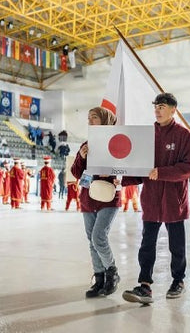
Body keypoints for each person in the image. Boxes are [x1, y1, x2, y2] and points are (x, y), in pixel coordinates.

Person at [122, 93, 190, 304]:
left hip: (174, 199)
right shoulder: (146, 135)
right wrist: (121, 172)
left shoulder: (184, 135)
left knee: (177, 245)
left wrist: (162, 172)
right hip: (152, 198)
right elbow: (136, 163)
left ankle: (178, 280)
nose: (157, 109)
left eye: (162, 106)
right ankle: (144, 285)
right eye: (155, 106)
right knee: (147, 244)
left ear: (174, 109)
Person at [71, 106, 122, 298]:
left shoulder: (116, 143)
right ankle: (99, 278)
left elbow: (125, 169)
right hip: (88, 197)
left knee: (98, 237)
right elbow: (77, 173)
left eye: (94, 117)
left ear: (105, 120)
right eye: (88, 117)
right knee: (91, 241)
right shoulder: (86, 144)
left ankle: (112, 273)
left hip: (108, 198)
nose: (90, 121)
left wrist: (113, 172)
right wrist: (82, 158)